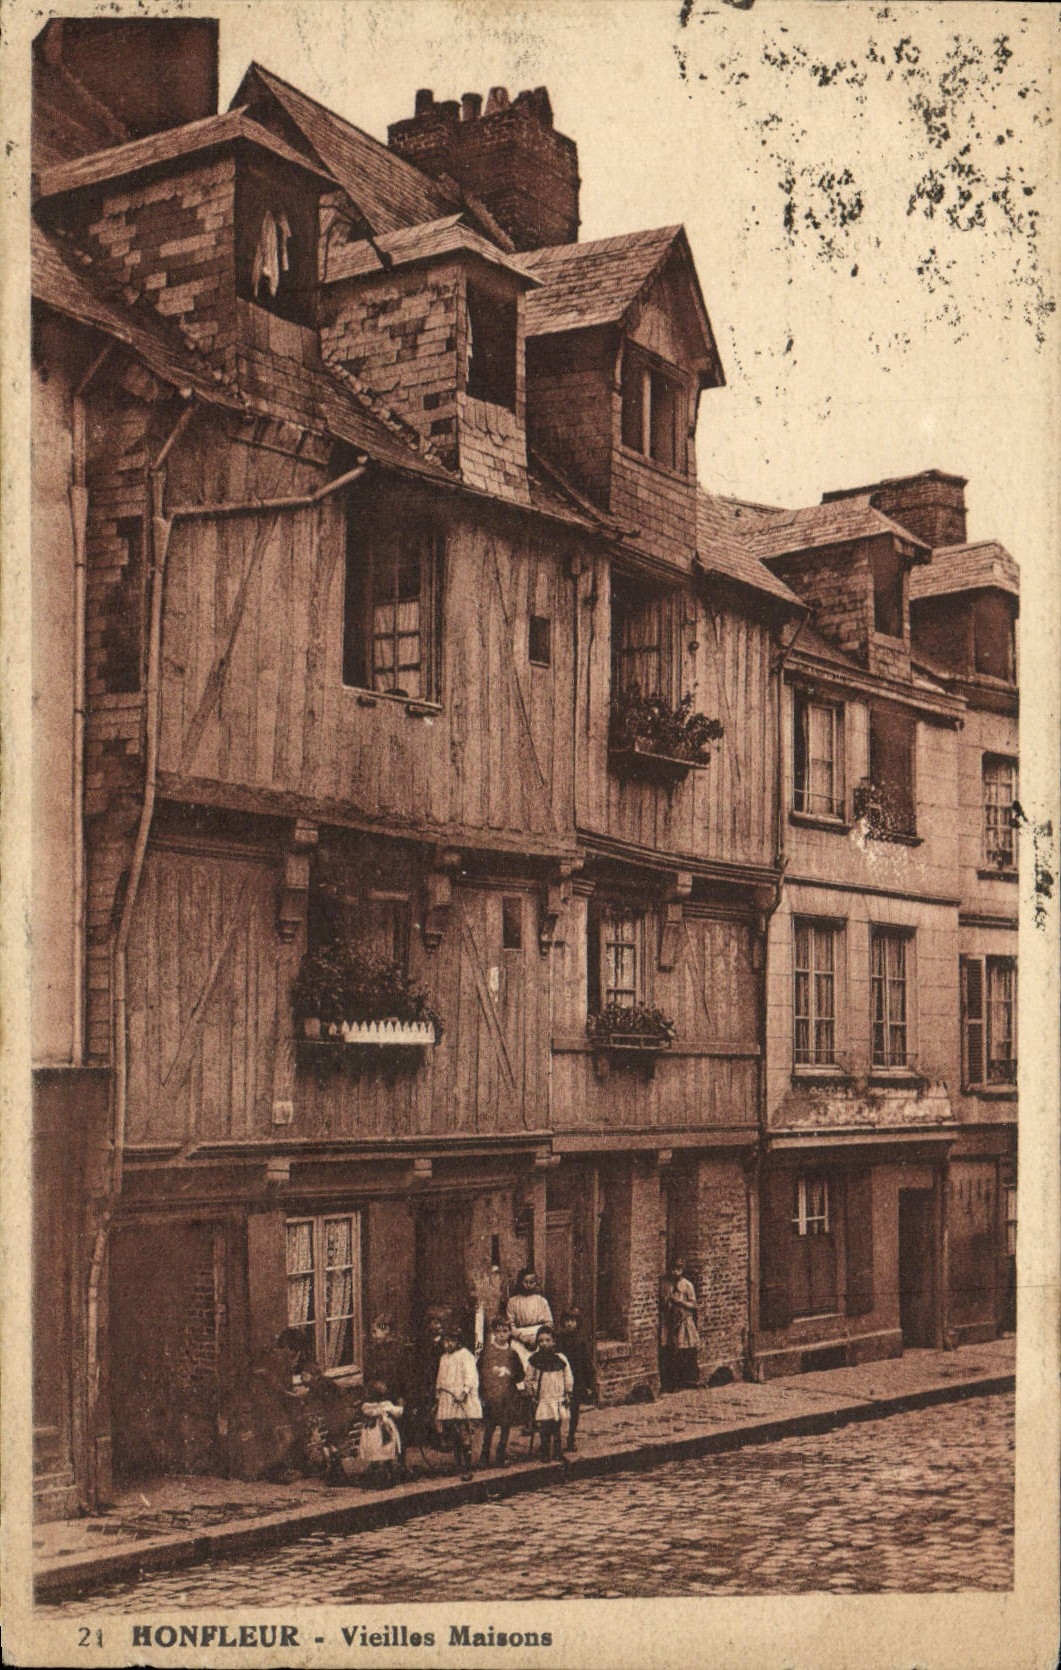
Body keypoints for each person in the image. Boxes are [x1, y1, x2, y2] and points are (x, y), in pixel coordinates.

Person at [434, 1327, 482, 1480]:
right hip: (447, 1398)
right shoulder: (443, 1358)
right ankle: (458, 1464)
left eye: (451, 1341)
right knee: (453, 1431)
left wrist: (464, 1391)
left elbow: (471, 1376)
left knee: (463, 1431)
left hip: (461, 1398)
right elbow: (440, 1378)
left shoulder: (465, 1356)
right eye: (445, 1341)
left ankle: (468, 1465)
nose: (447, 1344)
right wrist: (438, 1395)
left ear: (457, 1341)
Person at [477, 1317, 525, 1467]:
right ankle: (484, 1456)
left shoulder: (512, 1353)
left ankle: (501, 1455)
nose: (502, 1335)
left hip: (507, 1395)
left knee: (505, 1425)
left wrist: (508, 1373)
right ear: (493, 1333)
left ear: (510, 1333)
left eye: (505, 1331)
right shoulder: (488, 1352)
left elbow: (520, 1375)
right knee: (490, 1426)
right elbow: (479, 1371)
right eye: (498, 1331)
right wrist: (492, 1374)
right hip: (492, 1395)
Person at [524, 1324, 573, 1463]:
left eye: (547, 1340)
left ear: (553, 1341)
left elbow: (568, 1376)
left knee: (557, 1425)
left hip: (558, 1396)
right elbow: (528, 1378)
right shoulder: (535, 1360)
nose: (544, 1343)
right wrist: (531, 1391)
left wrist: (568, 1392)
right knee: (545, 1426)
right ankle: (545, 1451)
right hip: (544, 1397)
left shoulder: (561, 1359)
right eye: (541, 1341)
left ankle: (557, 1451)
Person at [659, 1259, 700, 1391]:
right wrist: (667, 1301)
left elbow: (694, 1305)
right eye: (673, 1269)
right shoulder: (666, 1285)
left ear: (682, 1271)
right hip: (669, 1321)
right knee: (669, 1350)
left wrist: (681, 1302)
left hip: (682, 1321)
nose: (675, 1272)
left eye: (678, 1269)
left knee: (682, 1351)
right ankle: (670, 1382)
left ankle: (683, 1380)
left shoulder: (687, 1285)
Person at [557, 1309, 593, 1452]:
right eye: (567, 1321)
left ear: (577, 1323)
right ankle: (557, 1439)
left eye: (573, 1321)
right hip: (561, 1379)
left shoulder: (581, 1342)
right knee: (558, 1410)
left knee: (574, 1410)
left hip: (577, 1380)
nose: (570, 1324)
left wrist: (589, 1384)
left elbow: (586, 1364)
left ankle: (571, 1437)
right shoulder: (558, 1340)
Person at [357, 1382, 405, 1487]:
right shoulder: (386, 1405)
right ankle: (390, 1475)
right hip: (384, 1432)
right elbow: (398, 1412)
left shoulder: (366, 1407)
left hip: (372, 1433)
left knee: (374, 1456)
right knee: (387, 1453)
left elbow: (364, 1413)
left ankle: (374, 1477)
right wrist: (401, 1405)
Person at [505, 1268, 553, 1365]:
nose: (528, 1285)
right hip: (520, 1338)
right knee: (521, 1366)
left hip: (539, 1337)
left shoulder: (541, 1301)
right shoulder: (513, 1301)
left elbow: (549, 1323)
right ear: (520, 1283)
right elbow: (510, 1325)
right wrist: (522, 1338)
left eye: (532, 1282)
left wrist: (538, 1338)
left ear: (536, 1283)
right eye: (525, 1282)